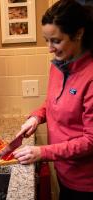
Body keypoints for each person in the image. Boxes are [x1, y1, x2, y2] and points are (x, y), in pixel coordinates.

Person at [13, 0, 93, 199]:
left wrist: (42, 152)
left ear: (78, 33)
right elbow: (53, 102)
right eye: (46, 40)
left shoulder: (90, 76)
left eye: (56, 41)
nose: (50, 48)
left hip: (86, 183)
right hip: (64, 172)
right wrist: (36, 117)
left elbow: (90, 140)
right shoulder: (59, 65)